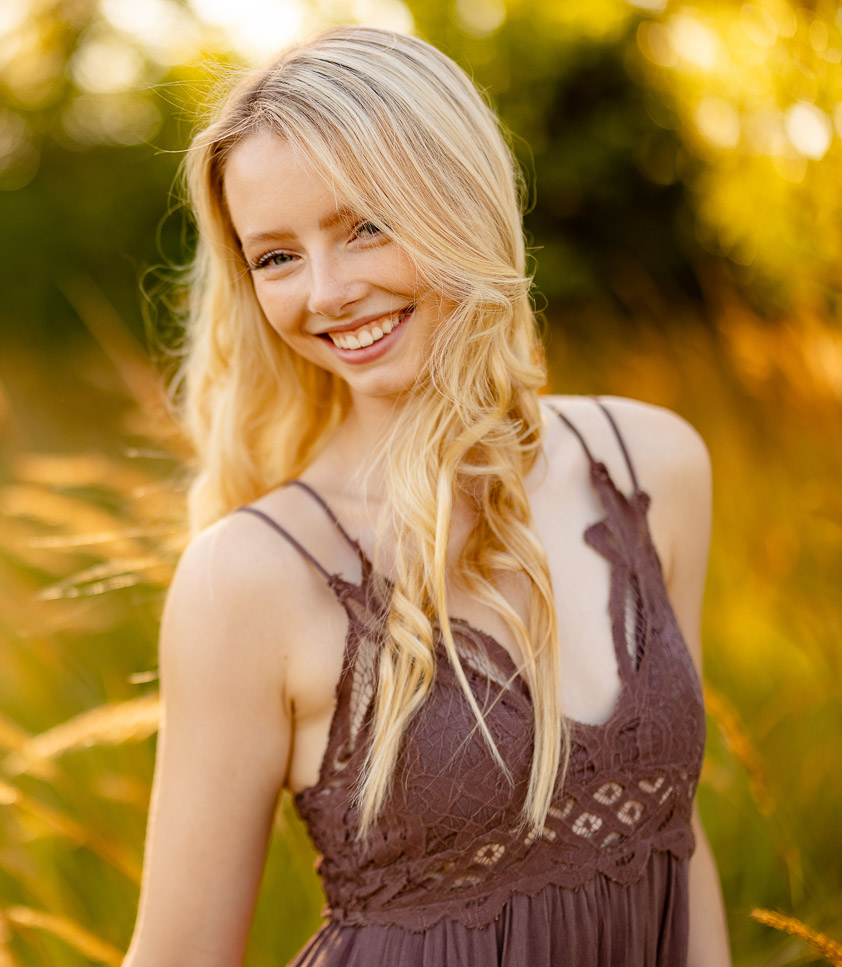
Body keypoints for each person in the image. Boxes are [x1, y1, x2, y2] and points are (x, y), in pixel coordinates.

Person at [122, 25, 731, 967]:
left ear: (462, 201)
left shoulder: (654, 466)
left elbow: (678, 836)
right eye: (276, 257)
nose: (326, 293)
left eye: (365, 224)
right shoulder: (251, 576)